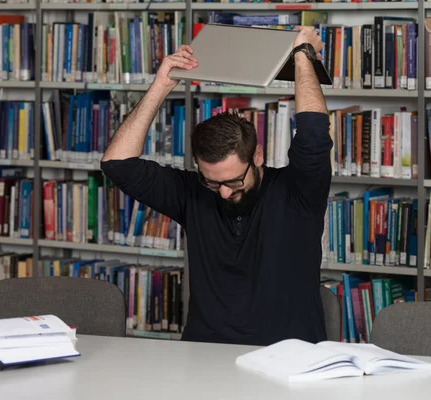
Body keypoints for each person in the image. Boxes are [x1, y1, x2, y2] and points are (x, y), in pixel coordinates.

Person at [100, 27, 333, 346]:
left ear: (258, 156)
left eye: (234, 181)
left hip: (289, 359)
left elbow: (314, 134)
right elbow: (118, 163)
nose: (223, 192)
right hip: (203, 358)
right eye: (213, 182)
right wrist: (162, 85)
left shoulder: (299, 192)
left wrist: (302, 55)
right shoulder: (192, 192)